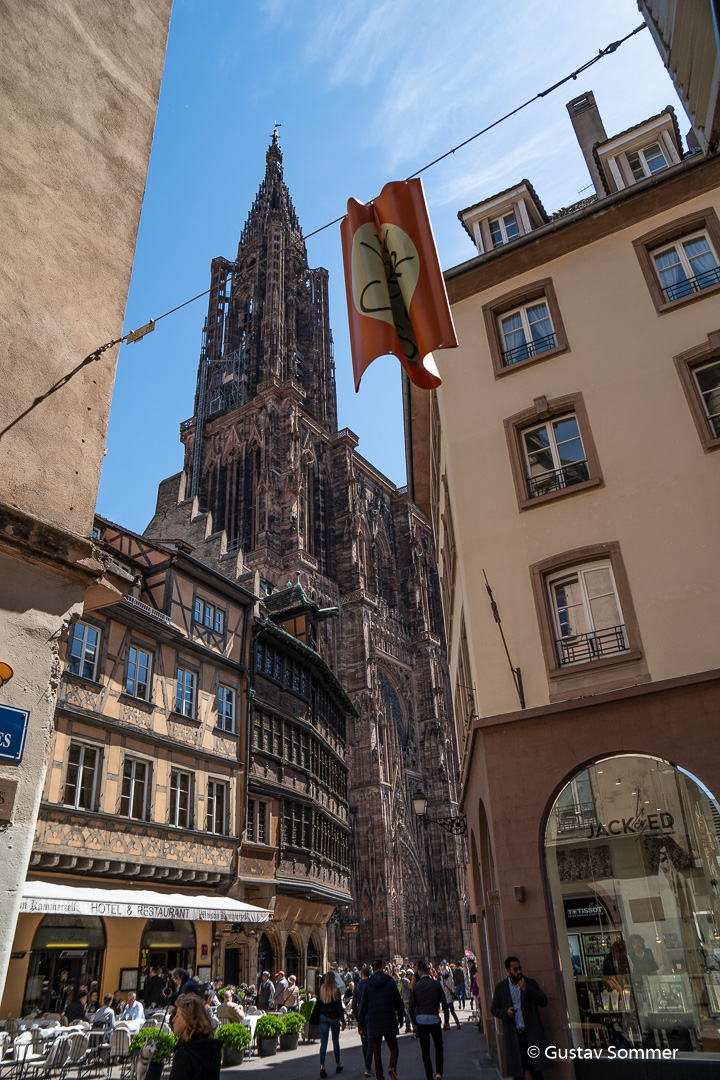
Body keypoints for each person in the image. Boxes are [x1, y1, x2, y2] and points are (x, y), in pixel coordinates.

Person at [490, 957, 548, 1080]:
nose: (519, 972)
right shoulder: (501, 988)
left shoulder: (530, 983)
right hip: (514, 1035)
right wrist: (506, 1013)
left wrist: (527, 989)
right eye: (515, 969)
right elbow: (494, 1009)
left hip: (531, 1034)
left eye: (520, 968)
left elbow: (543, 1001)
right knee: (518, 1074)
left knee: (536, 1071)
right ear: (508, 970)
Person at [358, 958, 405, 1080]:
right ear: (382, 968)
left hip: (374, 1021)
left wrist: (360, 1025)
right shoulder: (390, 981)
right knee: (393, 1047)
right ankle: (392, 1066)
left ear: (372, 969)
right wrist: (401, 1018)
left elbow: (362, 1007)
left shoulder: (368, 984)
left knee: (376, 1052)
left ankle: (380, 1077)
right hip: (389, 1018)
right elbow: (398, 1001)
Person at [409, 961, 449, 1080]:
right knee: (439, 1047)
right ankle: (439, 1072)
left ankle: (429, 1077)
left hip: (421, 1021)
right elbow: (444, 1003)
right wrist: (446, 1021)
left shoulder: (416, 986)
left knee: (425, 1051)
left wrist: (414, 1022)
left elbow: (411, 1007)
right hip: (434, 1020)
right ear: (429, 972)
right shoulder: (436, 984)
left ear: (420, 973)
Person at [169, 993, 222, 1080]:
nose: (173, 1020)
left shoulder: (183, 1055)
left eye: (177, 1016)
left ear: (188, 1020)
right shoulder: (212, 1049)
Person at [310, 969, 345, 1078]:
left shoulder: (322, 989)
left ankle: (322, 1067)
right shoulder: (336, 989)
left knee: (324, 1043)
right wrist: (343, 1020)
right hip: (333, 1017)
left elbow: (318, 1003)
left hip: (323, 1017)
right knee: (335, 1041)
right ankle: (338, 1064)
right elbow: (339, 1006)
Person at [352, 966, 374, 1078]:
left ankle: (367, 1064)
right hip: (370, 1016)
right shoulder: (371, 985)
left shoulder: (357, 987)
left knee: (364, 1043)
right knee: (371, 1042)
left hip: (361, 1017)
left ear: (361, 975)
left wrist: (357, 1016)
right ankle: (368, 1066)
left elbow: (354, 1005)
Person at [438, 964, 462, 1029]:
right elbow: (453, 990)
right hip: (450, 999)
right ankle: (457, 1023)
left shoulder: (441, 983)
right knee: (453, 1012)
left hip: (444, 1000)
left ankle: (447, 1025)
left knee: (446, 1013)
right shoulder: (451, 982)